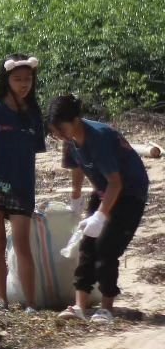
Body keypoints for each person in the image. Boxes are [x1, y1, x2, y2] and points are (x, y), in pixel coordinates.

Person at [47, 94, 151, 322]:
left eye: (60, 128)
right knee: (86, 247)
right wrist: (76, 199)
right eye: (54, 130)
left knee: (106, 249)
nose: (57, 134)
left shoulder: (99, 138)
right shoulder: (71, 140)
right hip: (104, 190)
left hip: (128, 194)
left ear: (74, 120)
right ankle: (79, 306)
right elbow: (78, 167)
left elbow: (117, 182)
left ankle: (107, 308)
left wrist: (101, 215)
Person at [0, 54, 47, 312]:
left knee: (22, 244)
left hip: (22, 185)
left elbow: (34, 150)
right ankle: (1, 300)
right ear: (6, 80)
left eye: (28, 79)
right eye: (17, 79)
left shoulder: (33, 113)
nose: (23, 84)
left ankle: (30, 303)